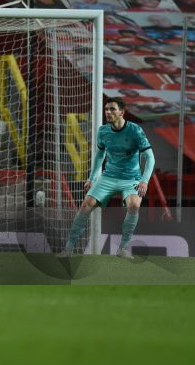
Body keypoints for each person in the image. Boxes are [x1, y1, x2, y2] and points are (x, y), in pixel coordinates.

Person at [61, 97, 154, 259]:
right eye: (106, 109)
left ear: (121, 112)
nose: (108, 112)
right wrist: (92, 178)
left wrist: (144, 181)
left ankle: (123, 248)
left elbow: (150, 158)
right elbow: (100, 155)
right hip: (108, 177)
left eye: (112, 109)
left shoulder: (135, 130)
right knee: (86, 205)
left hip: (131, 178)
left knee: (134, 205)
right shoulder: (103, 131)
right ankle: (68, 249)